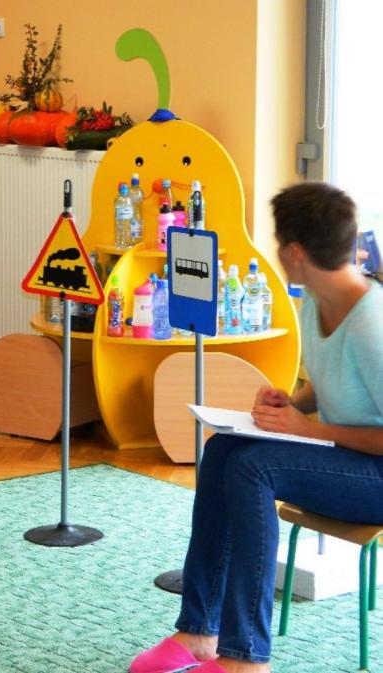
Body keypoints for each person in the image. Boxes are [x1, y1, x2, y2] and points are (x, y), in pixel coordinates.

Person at [130, 182, 383, 673]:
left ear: (295, 253)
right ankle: (199, 631)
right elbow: (338, 384)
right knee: (225, 449)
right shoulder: (316, 303)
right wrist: (292, 402)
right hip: (348, 459)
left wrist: (306, 430)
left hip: (376, 477)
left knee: (253, 469)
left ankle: (246, 658)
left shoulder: (371, 325)